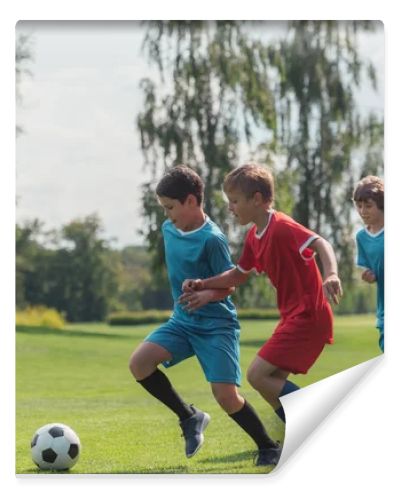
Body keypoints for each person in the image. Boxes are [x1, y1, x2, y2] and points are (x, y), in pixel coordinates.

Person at [129, 165, 281, 467]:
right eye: (163, 208)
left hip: (216, 326)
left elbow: (230, 285)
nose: (167, 215)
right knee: (140, 363)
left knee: (226, 396)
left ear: (190, 201)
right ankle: (189, 417)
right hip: (182, 322)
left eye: (171, 207)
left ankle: (268, 446)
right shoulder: (168, 229)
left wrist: (206, 294)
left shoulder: (213, 239)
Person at [181, 163, 343, 423]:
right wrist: (204, 283)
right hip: (293, 318)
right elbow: (238, 275)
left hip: (308, 317)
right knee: (272, 382)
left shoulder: (282, 227)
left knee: (257, 376)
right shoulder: (254, 238)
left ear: (256, 199)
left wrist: (331, 274)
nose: (230, 208)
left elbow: (320, 243)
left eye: (234, 201)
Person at [352, 175, 384, 352]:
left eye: (368, 205)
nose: (363, 211)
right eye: (359, 206)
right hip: (385, 312)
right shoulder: (362, 237)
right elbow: (372, 272)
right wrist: (369, 277)